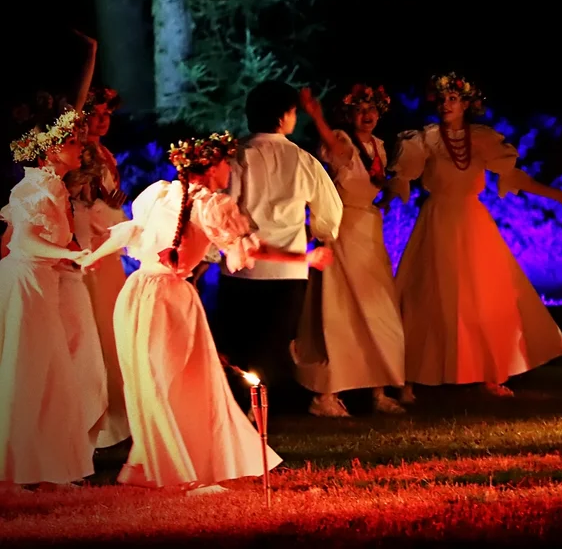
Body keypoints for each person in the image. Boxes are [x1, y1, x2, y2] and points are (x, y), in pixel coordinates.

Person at [76, 131, 333, 494]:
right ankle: (176, 470)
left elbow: (131, 232)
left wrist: (94, 256)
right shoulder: (203, 203)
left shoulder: (165, 194)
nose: (230, 169)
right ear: (212, 166)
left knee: (178, 382)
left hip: (142, 294)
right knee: (162, 383)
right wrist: (304, 257)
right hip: (162, 297)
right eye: (227, 163)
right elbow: (249, 250)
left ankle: (170, 463)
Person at [386, 72, 562, 399]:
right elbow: (401, 178)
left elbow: (515, 177)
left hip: (473, 223)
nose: (445, 105)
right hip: (438, 222)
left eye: (452, 99)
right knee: (424, 295)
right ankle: (408, 379)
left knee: (485, 296)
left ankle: (489, 374)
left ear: (465, 103)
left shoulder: (481, 140)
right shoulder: (424, 140)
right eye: (441, 100)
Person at [215, 80, 343, 412]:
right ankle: (265, 414)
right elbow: (330, 210)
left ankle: (240, 414)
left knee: (241, 346)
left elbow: (225, 206)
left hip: (243, 268)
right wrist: (319, 234)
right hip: (289, 270)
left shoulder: (238, 156)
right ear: (285, 115)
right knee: (275, 345)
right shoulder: (302, 159)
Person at [292, 84, 406, 417]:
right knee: (339, 310)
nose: (366, 115)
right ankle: (327, 395)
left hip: (369, 231)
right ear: (348, 115)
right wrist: (316, 116)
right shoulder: (341, 139)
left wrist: (385, 194)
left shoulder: (379, 147)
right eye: (359, 109)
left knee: (379, 310)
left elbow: (372, 182)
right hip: (343, 231)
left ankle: (379, 389)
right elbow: (335, 151)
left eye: (371, 109)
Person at [0, 108, 97, 490]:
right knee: (25, 372)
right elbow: (22, 243)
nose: (80, 149)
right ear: (50, 151)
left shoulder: (48, 186)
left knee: (52, 372)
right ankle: (13, 469)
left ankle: (48, 466)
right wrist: (72, 255)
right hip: (27, 285)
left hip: (40, 283)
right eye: (72, 143)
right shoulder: (38, 188)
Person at [65, 85, 130, 447]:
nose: (103, 122)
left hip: (107, 242)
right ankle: (91, 414)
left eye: (108, 115)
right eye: (97, 114)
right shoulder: (81, 154)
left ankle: (113, 413)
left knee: (109, 326)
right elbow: (86, 200)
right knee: (93, 326)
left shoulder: (103, 153)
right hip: (89, 240)